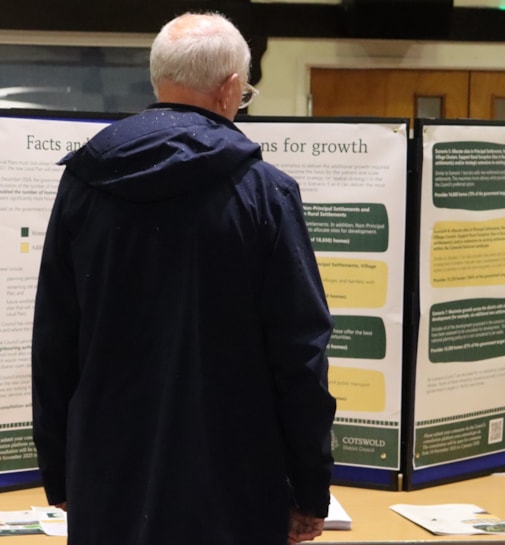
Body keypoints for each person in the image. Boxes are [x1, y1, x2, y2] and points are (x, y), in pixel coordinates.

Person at [31, 11, 337, 545]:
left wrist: (60, 471)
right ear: (230, 89)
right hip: (237, 482)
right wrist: (309, 489)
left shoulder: (83, 183)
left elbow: (54, 340)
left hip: (108, 476)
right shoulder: (266, 195)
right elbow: (300, 356)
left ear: (158, 81)